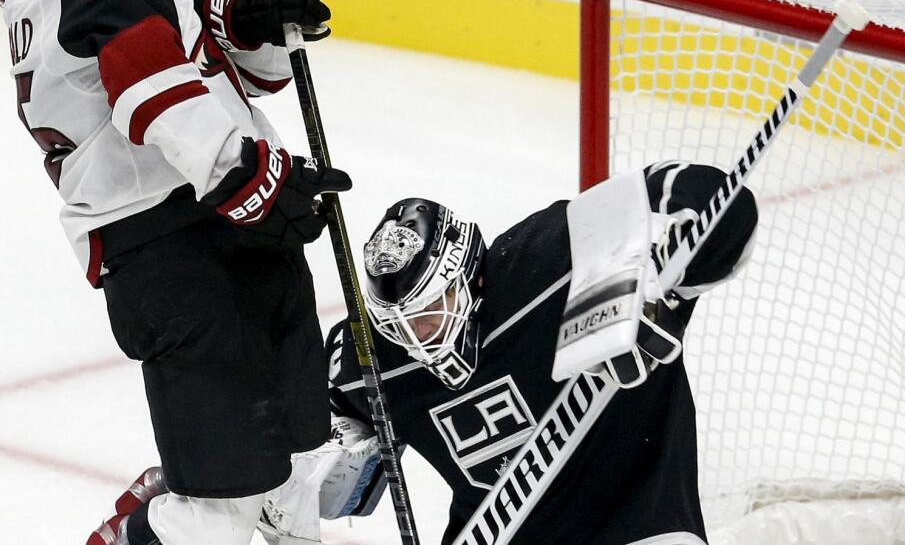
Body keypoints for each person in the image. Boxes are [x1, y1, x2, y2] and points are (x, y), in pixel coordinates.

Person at [0, 0, 349, 545]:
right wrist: (246, 177)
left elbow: (204, 73)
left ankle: (198, 477)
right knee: (222, 512)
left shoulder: (33, 18)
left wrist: (249, 16)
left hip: (205, 236)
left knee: (297, 478)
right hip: (185, 251)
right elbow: (146, 88)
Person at [318, 162, 759, 544]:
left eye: (433, 307)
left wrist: (650, 277)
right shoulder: (371, 362)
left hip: (640, 521)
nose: (420, 334)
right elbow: (327, 445)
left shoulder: (551, 261)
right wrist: (331, 456)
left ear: (469, 275)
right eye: (401, 323)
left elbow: (708, 197)